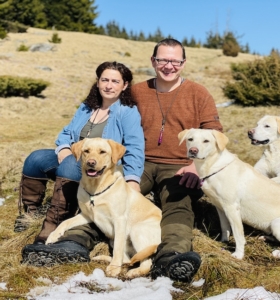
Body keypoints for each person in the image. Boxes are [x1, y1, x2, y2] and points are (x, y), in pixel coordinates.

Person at [22, 39, 223, 283]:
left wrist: (195, 166)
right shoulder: (137, 91)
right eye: (162, 60)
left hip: (179, 164)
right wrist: (131, 178)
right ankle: (72, 243)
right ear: (153, 61)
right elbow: (118, 129)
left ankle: (172, 255)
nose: (168, 66)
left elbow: (214, 133)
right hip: (140, 161)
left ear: (183, 63)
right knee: (103, 199)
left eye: (174, 61)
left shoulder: (198, 93)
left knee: (178, 204)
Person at [17, 61, 144, 250]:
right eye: (105, 80)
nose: (109, 85)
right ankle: (31, 213)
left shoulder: (127, 112)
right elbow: (66, 133)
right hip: (77, 156)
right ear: (98, 82)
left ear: (124, 85)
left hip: (100, 167)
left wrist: (133, 179)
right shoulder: (87, 107)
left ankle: (55, 223)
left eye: (115, 81)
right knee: (35, 159)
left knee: (68, 165)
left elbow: (135, 147)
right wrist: (64, 149)